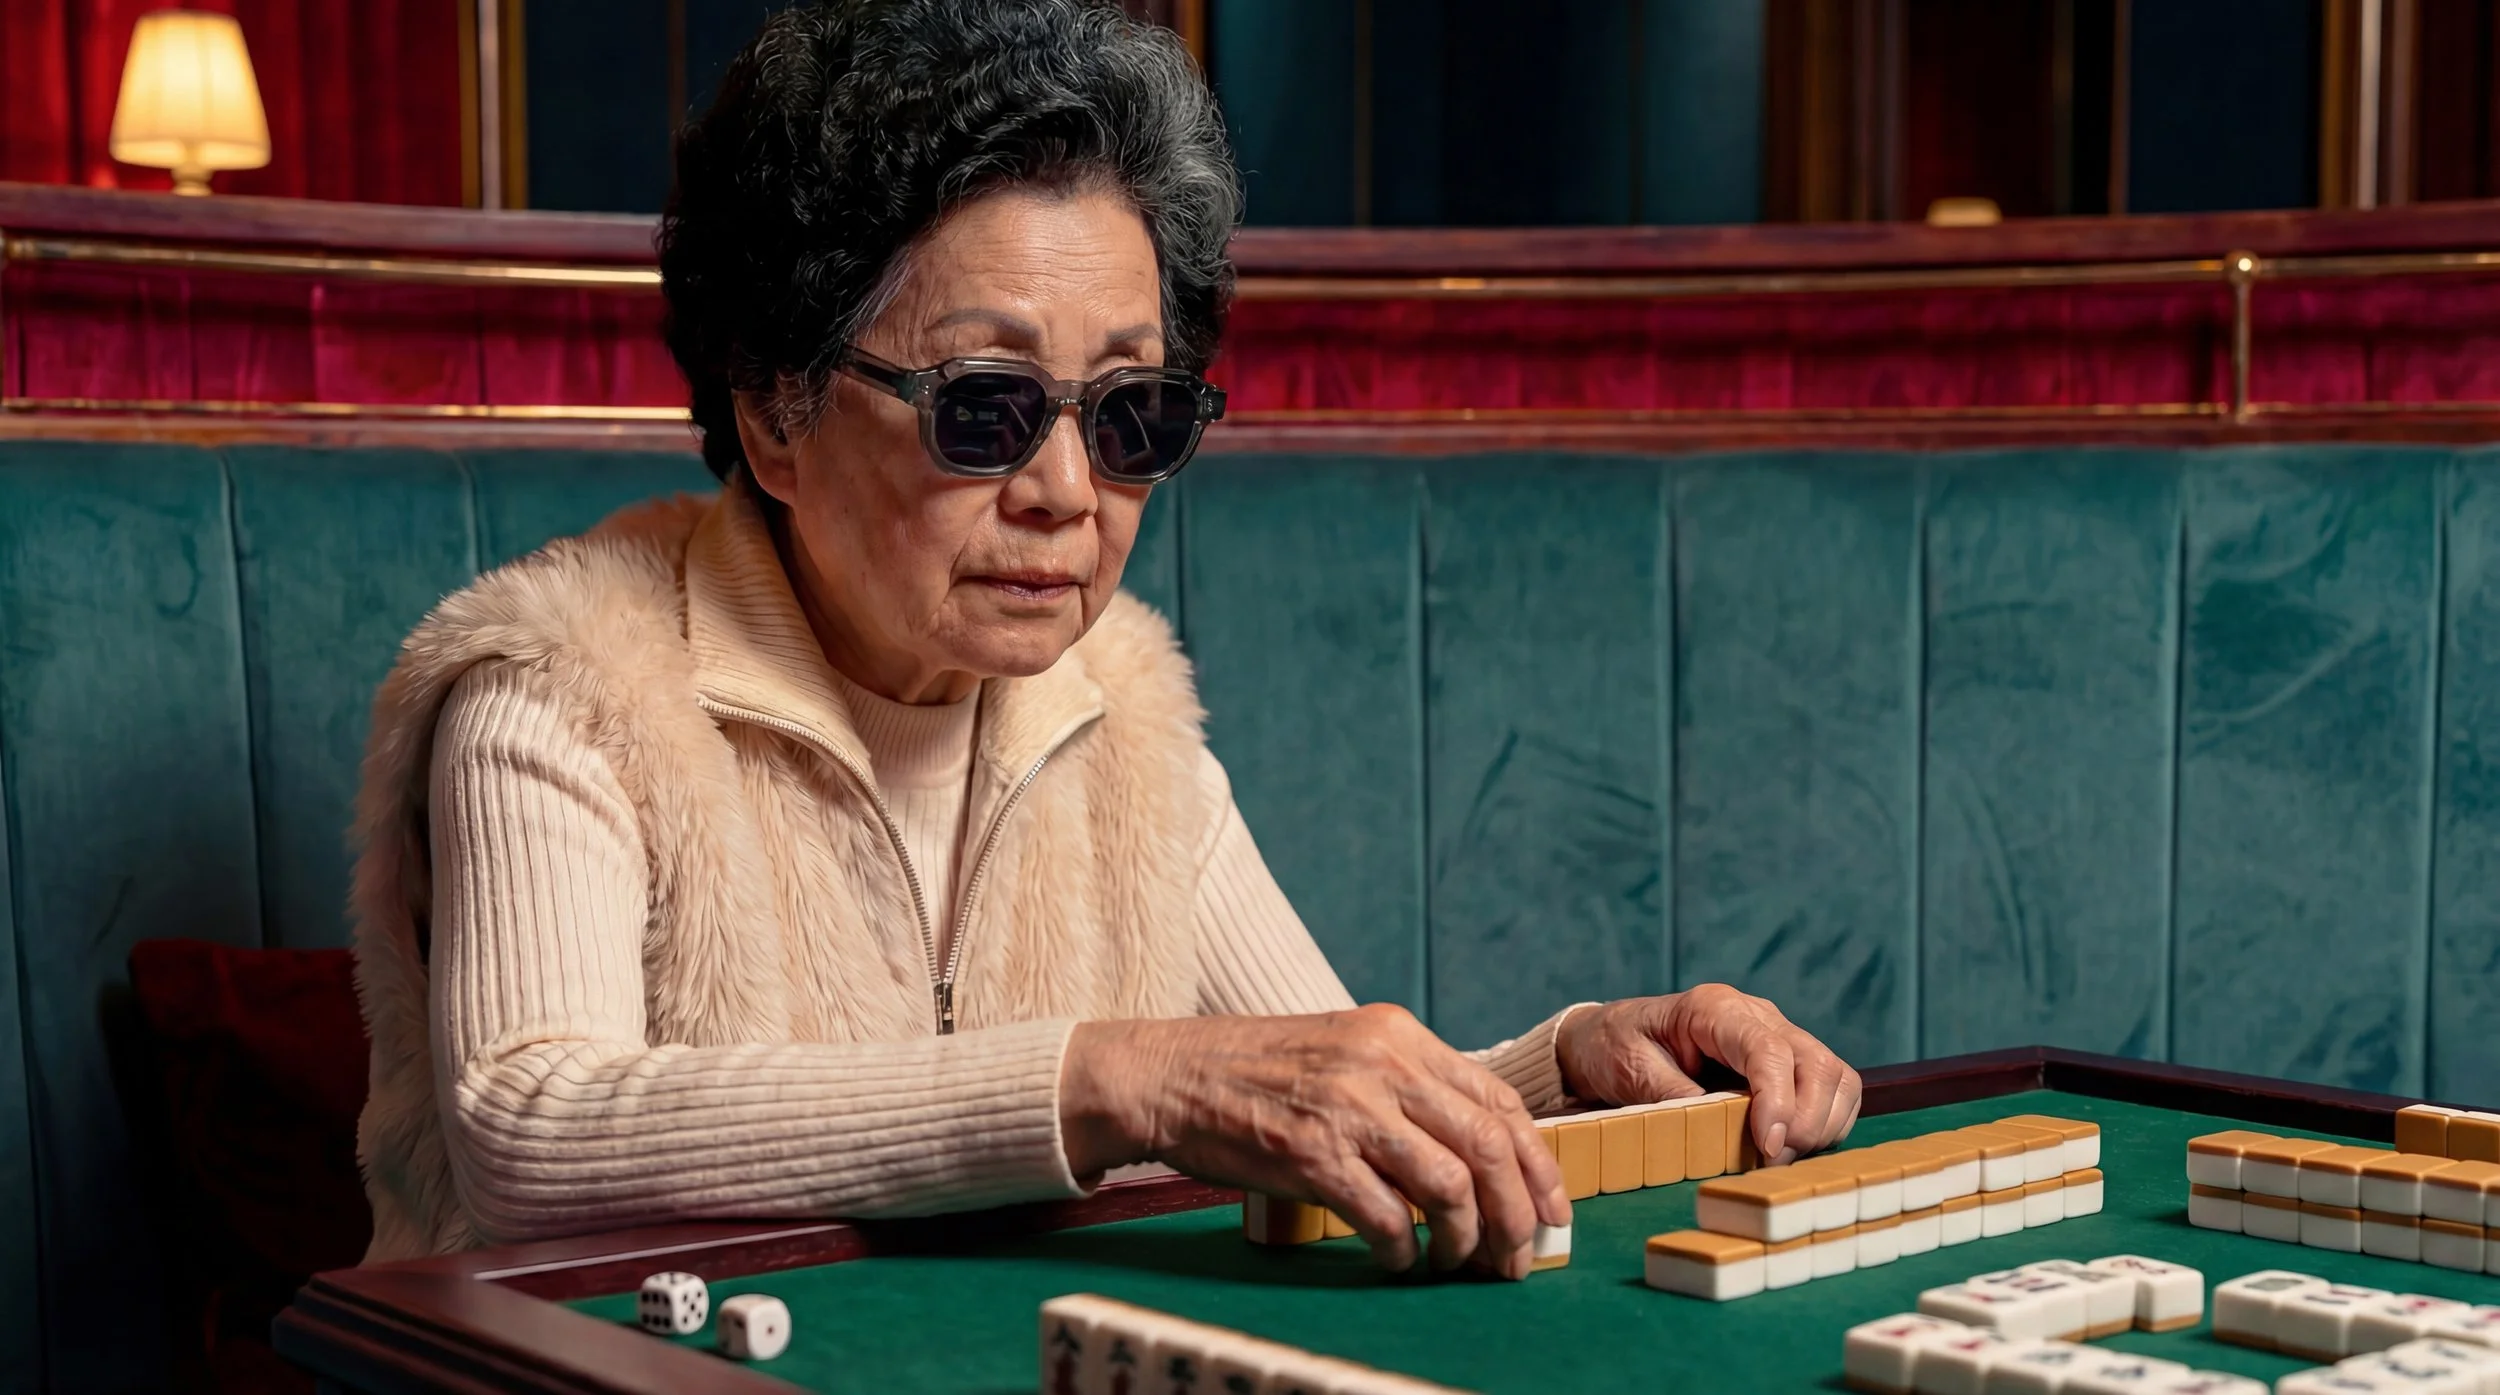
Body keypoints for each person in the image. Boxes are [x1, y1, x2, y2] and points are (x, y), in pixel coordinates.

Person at [349, 0, 1861, 1280]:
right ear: (776, 411)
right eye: (984, 407)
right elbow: (529, 1131)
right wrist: (1108, 1082)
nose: (1069, 492)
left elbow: (1310, 1080)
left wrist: (1583, 1063)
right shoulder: (562, 687)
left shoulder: (1122, 710)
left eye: (1131, 415)